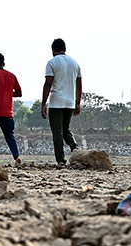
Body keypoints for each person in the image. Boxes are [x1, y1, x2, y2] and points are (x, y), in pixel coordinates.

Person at [41, 38, 82, 166]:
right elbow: (79, 85)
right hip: (70, 102)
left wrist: (43, 103)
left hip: (56, 102)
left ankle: (60, 160)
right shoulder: (75, 64)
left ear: (53, 50)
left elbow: (48, 83)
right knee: (65, 129)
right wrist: (77, 103)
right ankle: (74, 147)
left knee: (57, 132)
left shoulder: (52, 63)